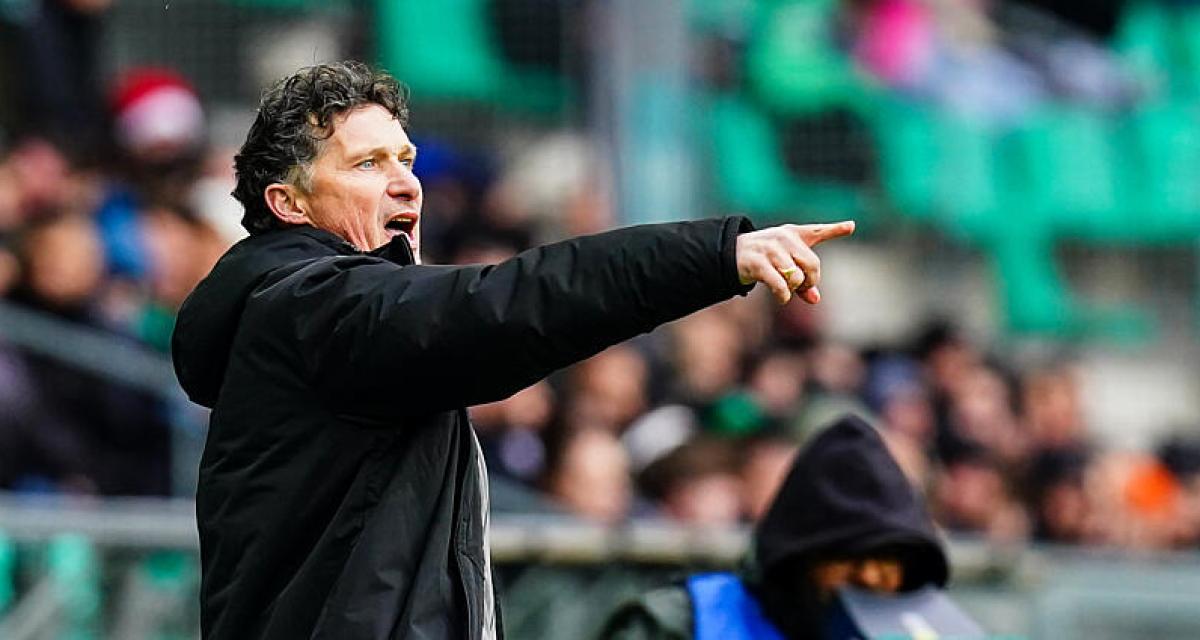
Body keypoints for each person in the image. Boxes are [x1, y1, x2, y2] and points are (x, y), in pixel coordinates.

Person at [171, 60, 854, 640]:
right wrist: (714, 257)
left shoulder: (321, 322)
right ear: (289, 203)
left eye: (405, 159)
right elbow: (515, 304)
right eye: (367, 164)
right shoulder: (312, 308)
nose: (406, 182)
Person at [598, 414, 950, 640]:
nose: (870, 577)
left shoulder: (926, 633)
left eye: (890, 560)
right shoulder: (681, 623)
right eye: (850, 558)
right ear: (803, 555)